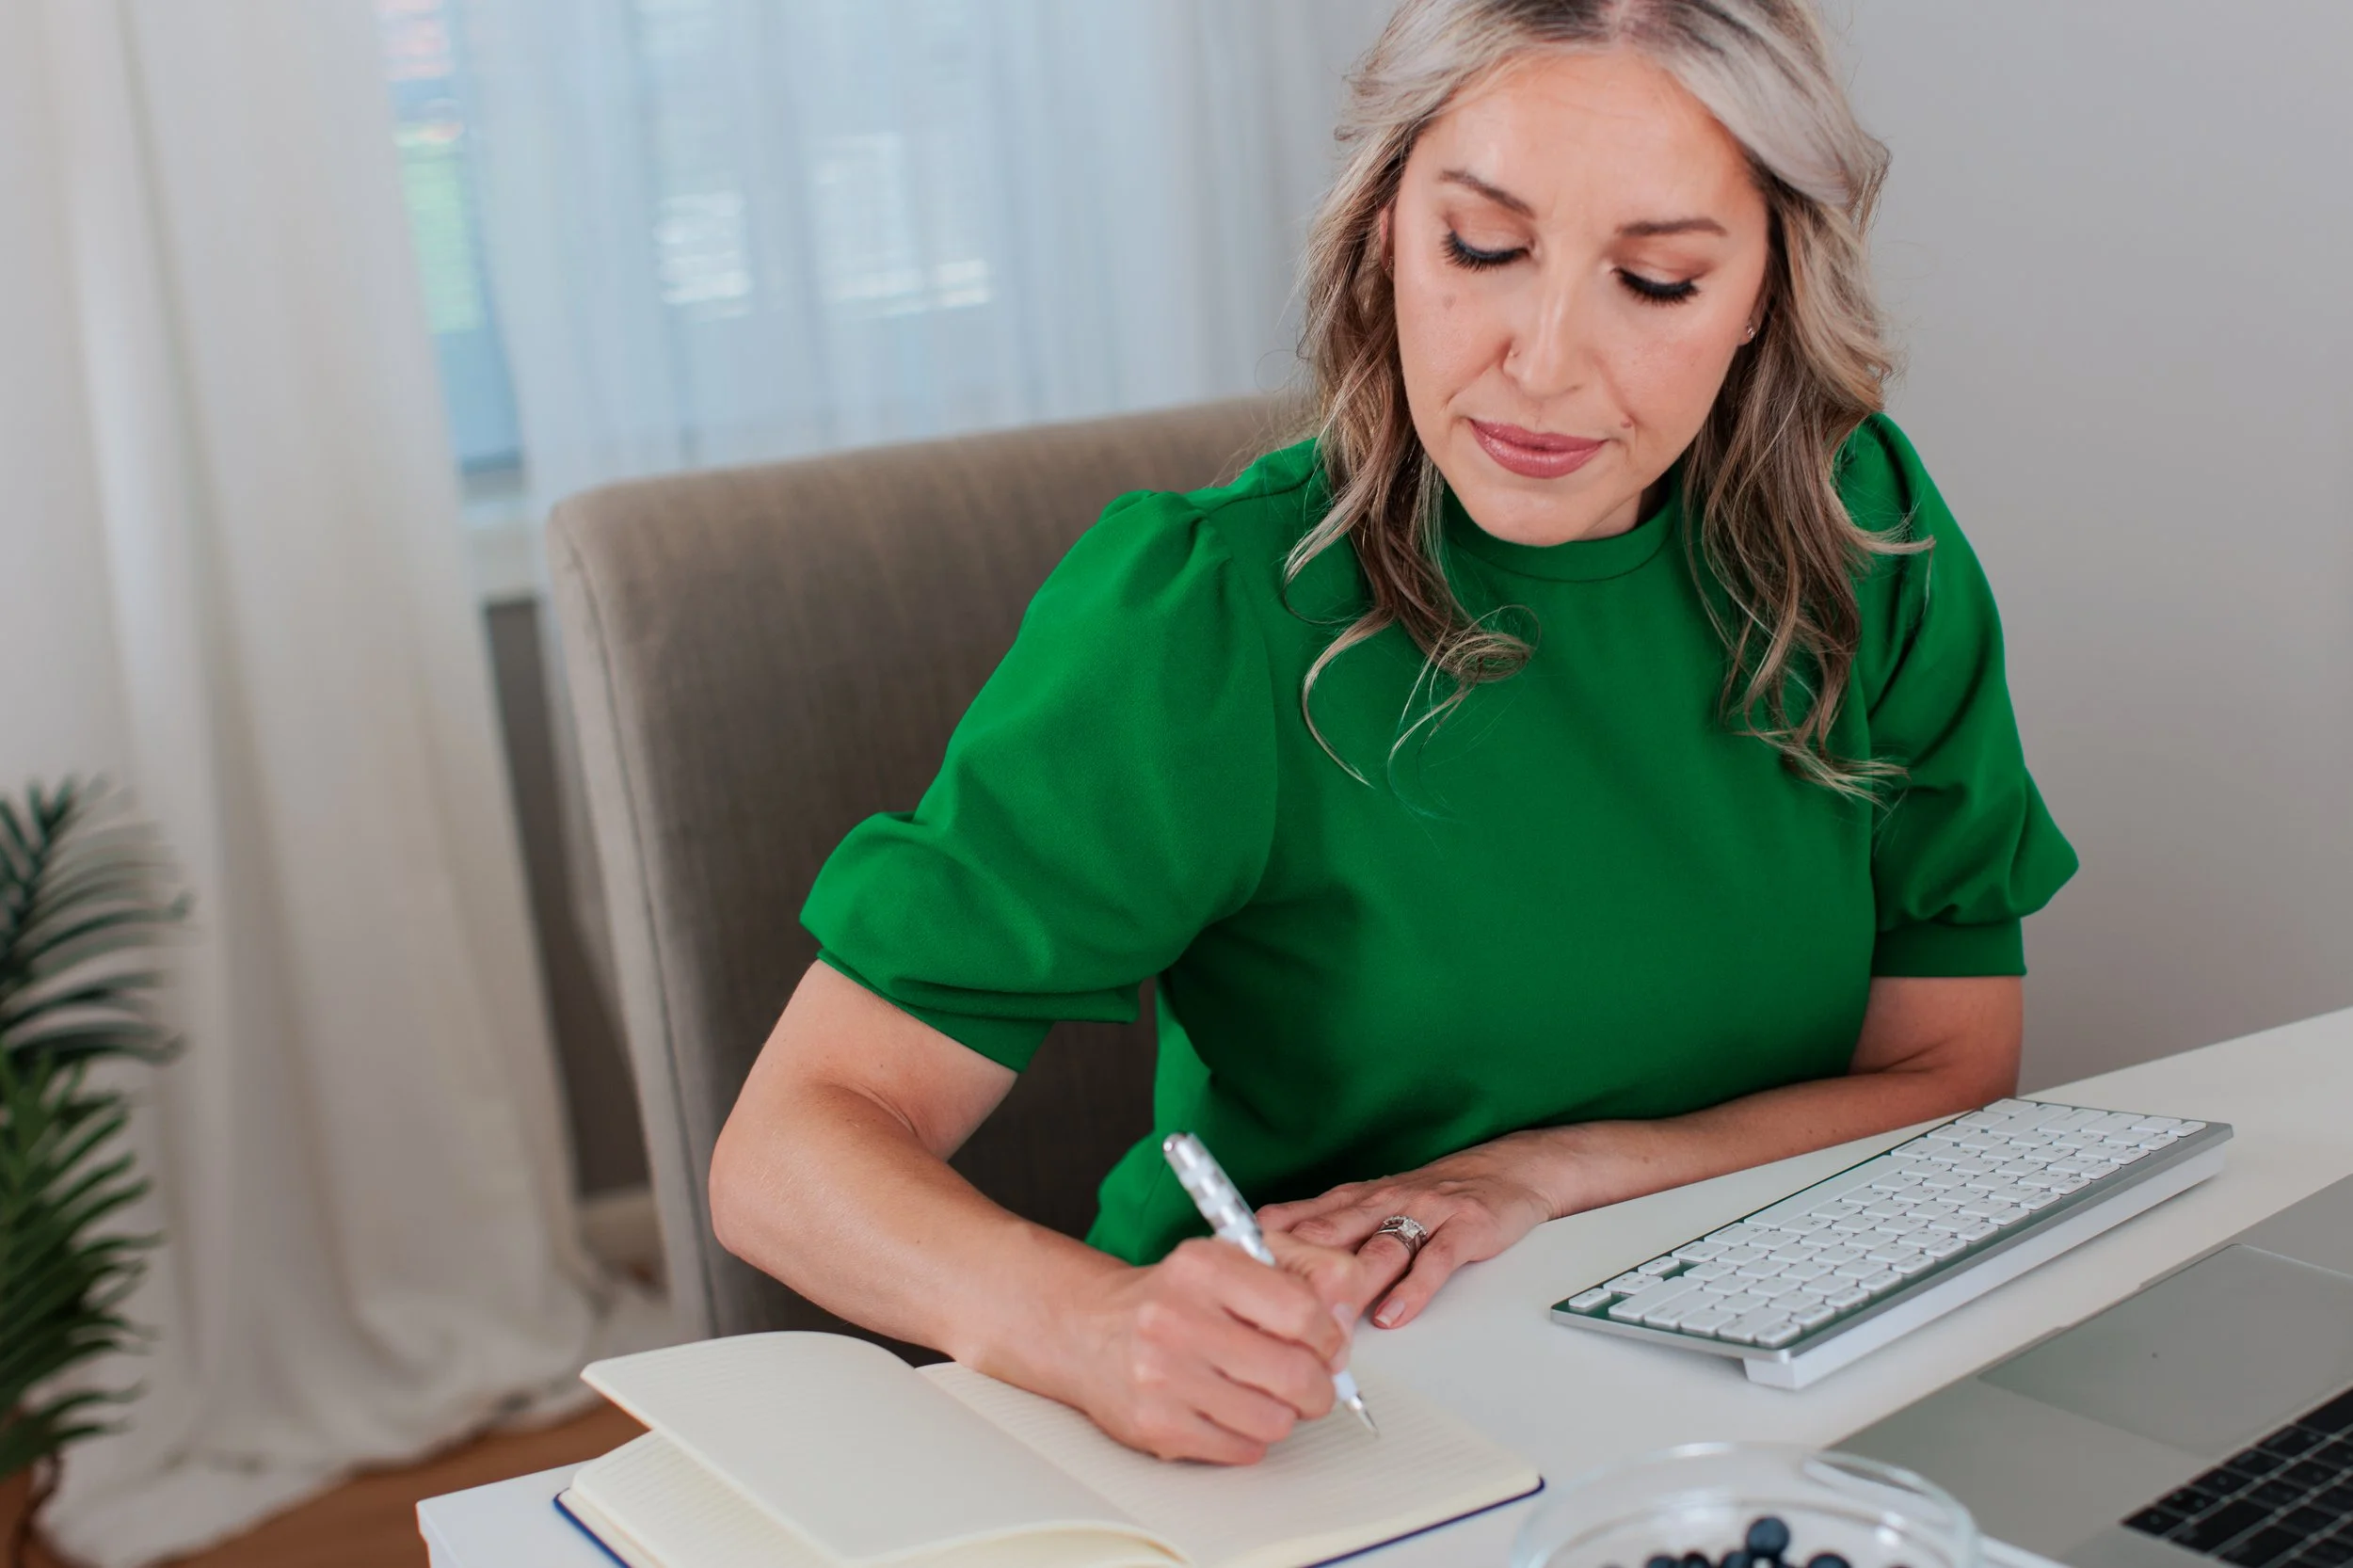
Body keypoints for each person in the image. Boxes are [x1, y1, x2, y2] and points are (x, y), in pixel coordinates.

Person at [709, 0, 2076, 1467]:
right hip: (1311, 1409)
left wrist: (1538, 1174)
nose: (1545, 363)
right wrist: (1084, 1325)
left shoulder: (1860, 537)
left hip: (1742, 1396)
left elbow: (1947, 1064)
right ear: (1383, 234)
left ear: (1764, 290)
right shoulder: (1213, 616)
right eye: (1482, 248)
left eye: (1659, 279)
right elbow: (787, 1152)